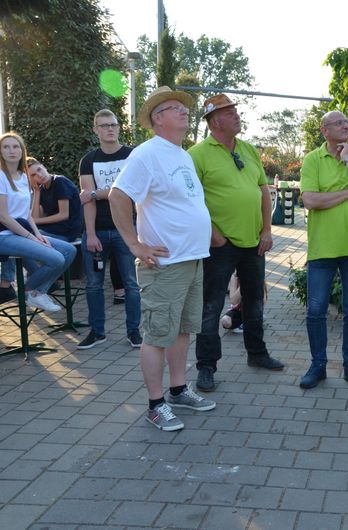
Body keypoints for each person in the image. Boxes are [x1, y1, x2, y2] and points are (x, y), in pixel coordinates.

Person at [109, 86, 215, 432]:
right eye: (174, 108)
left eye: (183, 107)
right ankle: (155, 405)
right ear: (158, 119)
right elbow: (118, 196)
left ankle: (178, 390)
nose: (184, 111)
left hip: (192, 258)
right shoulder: (147, 154)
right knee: (156, 335)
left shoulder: (181, 155)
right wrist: (134, 244)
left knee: (182, 330)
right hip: (165, 264)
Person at [189, 93, 283, 392]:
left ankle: (257, 353)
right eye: (230, 113)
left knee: (254, 300)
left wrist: (266, 229)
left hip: (254, 241)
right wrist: (214, 234)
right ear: (214, 121)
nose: (237, 116)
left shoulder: (248, 149)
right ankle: (206, 367)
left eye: (236, 112)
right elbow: (191, 201)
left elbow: (263, 190)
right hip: (220, 244)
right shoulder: (197, 155)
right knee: (211, 305)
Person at [298, 110, 348, 391]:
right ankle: (317, 365)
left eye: (347, 123)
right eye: (339, 123)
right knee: (316, 310)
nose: (346, 126)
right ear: (324, 130)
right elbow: (311, 200)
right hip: (323, 247)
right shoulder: (312, 159)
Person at [77, 109, 141, 349]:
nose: (110, 129)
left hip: (128, 230)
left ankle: (134, 331)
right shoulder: (88, 160)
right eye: (104, 125)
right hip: (98, 231)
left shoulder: (132, 155)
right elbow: (87, 199)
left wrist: (96, 192)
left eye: (113, 124)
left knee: (132, 284)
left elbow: (133, 191)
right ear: (96, 130)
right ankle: (97, 332)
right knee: (93, 285)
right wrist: (91, 234)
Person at [0, 132, 76, 312]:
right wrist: (31, 237)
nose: (12, 150)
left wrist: (37, 234)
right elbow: (3, 217)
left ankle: (36, 292)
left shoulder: (23, 176)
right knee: (56, 258)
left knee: (69, 250)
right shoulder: (1, 176)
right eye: (6, 147)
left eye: (16, 146)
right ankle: (31, 291)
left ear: (22, 150)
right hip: (4, 235)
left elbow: (26, 213)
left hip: (21, 232)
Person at [27, 157, 83, 242]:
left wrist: (36, 221)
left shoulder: (59, 181)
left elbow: (64, 215)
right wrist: (36, 191)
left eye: (39, 170)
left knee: (32, 236)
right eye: (33, 175)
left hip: (67, 231)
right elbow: (35, 217)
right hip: (52, 229)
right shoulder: (42, 189)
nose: (40, 175)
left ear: (44, 167)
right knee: (25, 232)